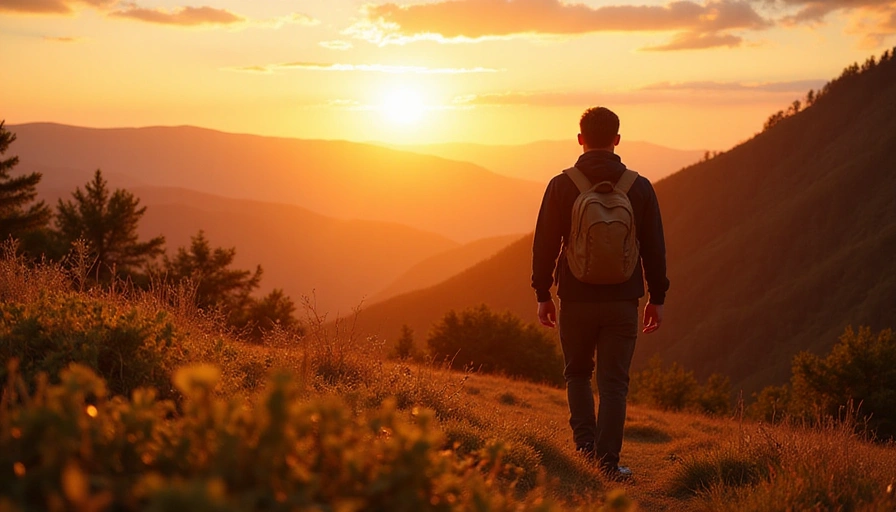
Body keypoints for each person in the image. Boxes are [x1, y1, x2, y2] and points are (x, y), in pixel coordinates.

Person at [531, 106, 669, 481]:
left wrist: (543, 292)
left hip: (575, 297)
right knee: (613, 383)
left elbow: (544, 243)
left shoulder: (562, 185)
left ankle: (584, 452)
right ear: (617, 140)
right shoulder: (638, 186)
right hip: (623, 300)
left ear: (580, 139)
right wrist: (657, 298)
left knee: (577, 373)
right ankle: (608, 464)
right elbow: (654, 247)